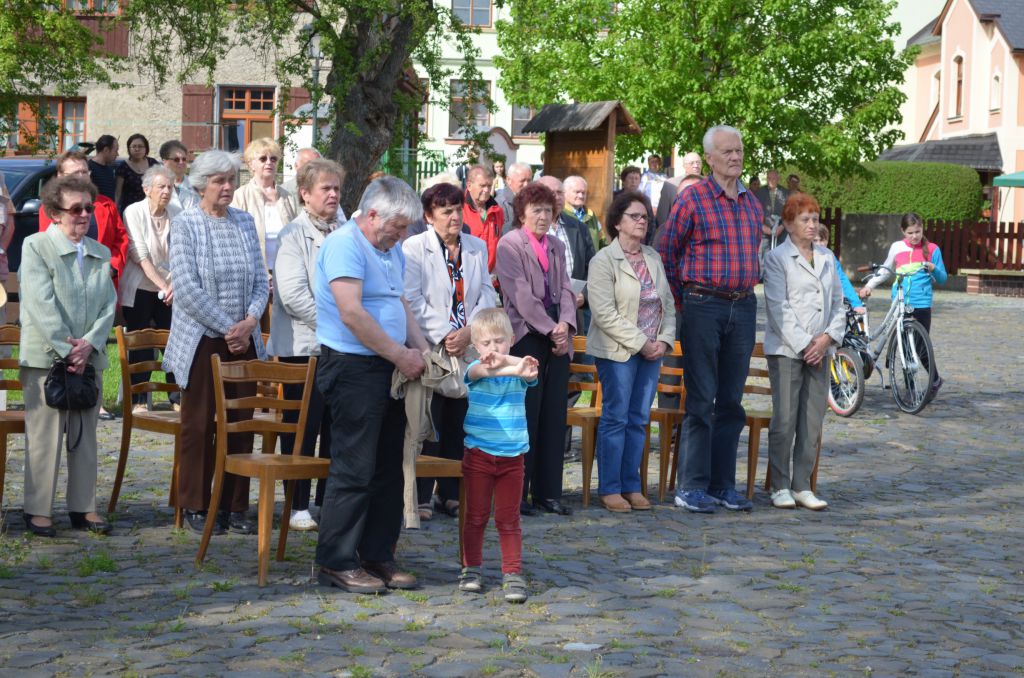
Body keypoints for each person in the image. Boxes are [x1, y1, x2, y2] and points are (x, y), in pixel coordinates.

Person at [314, 177, 429, 595]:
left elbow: (400, 302)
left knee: (387, 468)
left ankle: (377, 554)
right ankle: (337, 560)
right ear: (374, 214)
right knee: (354, 467)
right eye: (398, 226)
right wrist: (400, 354)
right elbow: (352, 313)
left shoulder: (390, 248)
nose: (402, 235)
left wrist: (423, 350)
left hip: (389, 368)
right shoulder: (344, 244)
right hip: (353, 368)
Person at [163, 150, 269, 536]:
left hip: (243, 339)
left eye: (231, 179)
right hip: (202, 340)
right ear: (200, 185)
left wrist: (250, 322)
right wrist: (230, 328)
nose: (227, 186)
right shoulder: (186, 224)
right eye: (218, 180)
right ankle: (194, 502)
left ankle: (234, 505)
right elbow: (187, 288)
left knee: (241, 424)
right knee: (198, 424)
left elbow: (261, 281)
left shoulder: (244, 221)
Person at [658, 124, 762, 514]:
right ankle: (692, 486)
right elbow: (667, 252)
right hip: (703, 304)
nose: (735, 157)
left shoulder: (751, 202)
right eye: (727, 151)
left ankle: (722, 485)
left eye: (739, 150)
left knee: (732, 401)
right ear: (709, 159)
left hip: (743, 305)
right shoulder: (693, 198)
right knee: (701, 399)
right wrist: (683, 303)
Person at [18, 174, 117, 537]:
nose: (84, 215)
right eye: (76, 209)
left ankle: (83, 507)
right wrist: (66, 350)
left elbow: (109, 305)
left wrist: (89, 344)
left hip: (87, 360)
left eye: (88, 208)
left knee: (85, 437)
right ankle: (38, 510)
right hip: (46, 359)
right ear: (55, 213)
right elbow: (40, 303)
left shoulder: (100, 252)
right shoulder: (36, 246)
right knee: (44, 439)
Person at [403, 182, 497, 521]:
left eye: (458, 209)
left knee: (460, 422)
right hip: (431, 346)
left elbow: (486, 293)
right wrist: (446, 334)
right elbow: (412, 299)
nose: (455, 217)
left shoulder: (475, 247)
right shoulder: (415, 247)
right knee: (429, 422)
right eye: (446, 211)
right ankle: (422, 495)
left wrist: (470, 331)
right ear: (429, 216)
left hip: (467, 347)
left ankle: (451, 493)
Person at [267, 158, 345, 531]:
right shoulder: (292, 235)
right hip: (303, 347)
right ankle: (297, 504)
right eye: (325, 188)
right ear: (305, 194)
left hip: (342, 348)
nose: (333, 194)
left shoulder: (345, 232)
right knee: (302, 427)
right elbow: (292, 294)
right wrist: (340, 324)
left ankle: (329, 500)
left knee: (336, 427)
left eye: (337, 188)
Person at [586, 190, 675, 512]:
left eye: (645, 217)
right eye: (634, 216)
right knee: (616, 417)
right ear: (617, 222)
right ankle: (610, 488)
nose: (642, 222)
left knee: (639, 419)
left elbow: (667, 304)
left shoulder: (653, 257)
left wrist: (664, 340)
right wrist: (642, 342)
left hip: (652, 351)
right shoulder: (603, 260)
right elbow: (604, 313)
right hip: (618, 352)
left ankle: (631, 485)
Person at [495, 182, 576, 516]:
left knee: (554, 415)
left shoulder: (556, 245)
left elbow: (567, 290)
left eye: (548, 211)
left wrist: (565, 325)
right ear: (522, 213)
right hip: (527, 334)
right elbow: (520, 296)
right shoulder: (510, 244)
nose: (543, 216)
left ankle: (548, 492)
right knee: (526, 415)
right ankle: (517, 494)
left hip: (557, 336)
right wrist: (550, 328)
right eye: (536, 210)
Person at [763, 193, 846, 511]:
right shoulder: (777, 259)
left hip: (821, 350)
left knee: (812, 421)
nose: (812, 225)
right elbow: (778, 307)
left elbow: (838, 303)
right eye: (805, 219)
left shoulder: (827, 257)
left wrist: (826, 339)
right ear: (788, 224)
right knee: (785, 419)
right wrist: (806, 344)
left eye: (815, 219)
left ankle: (802, 485)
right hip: (787, 350)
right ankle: (780, 485)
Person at [40, 150, 129, 422]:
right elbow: (48, 246)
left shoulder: (105, 205)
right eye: (73, 173)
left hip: (100, 283)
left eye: (84, 171)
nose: (80, 177)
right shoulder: (51, 209)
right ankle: (63, 391)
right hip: (64, 293)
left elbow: (120, 239)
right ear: (59, 176)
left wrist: (111, 265)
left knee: (92, 340)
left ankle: (92, 397)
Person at [458, 308, 538, 603]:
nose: (493, 348)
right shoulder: (473, 368)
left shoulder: (521, 372)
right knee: (476, 516)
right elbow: (483, 370)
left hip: (512, 457)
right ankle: (471, 568)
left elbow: (530, 366)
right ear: (475, 347)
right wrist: (511, 364)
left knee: (508, 518)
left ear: (512, 340)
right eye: (486, 343)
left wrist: (512, 362)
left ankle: (512, 573)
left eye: (500, 341)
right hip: (478, 454)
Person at [858, 212, 947, 394]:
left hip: (921, 304)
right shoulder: (897, 247)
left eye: (918, 232)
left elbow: (942, 278)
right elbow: (885, 271)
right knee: (905, 346)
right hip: (900, 302)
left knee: (921, 347)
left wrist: (934, 268)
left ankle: (935, 379)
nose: (914, 236)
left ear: (922, 228)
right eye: (910, 233)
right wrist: (869, 286)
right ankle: (910, 390)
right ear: (903, 231)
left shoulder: (933, 249)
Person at [120, 166, 181, 412]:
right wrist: (163, 285)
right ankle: (138, 399)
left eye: (170, 187)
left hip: (171, 287)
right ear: (147, 190)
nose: (166, 191)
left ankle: (176, 397)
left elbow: (184, 252)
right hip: (141, 286)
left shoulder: (177, 213)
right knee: (142, 343)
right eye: (161, 187)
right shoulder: (133, 211)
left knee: (174, 341)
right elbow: (139, 254)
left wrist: (174, 285)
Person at [231, 137, 300, 272]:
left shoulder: (287, 197)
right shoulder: (240, 196)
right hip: (254, 272)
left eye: (273, 159)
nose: (269, 162)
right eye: (263, 159)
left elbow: (297, 235)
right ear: (251, 164)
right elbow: (234, 239)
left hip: (286, 271)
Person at [462, 165, 505, 272]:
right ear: (469, 185)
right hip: (465, 274)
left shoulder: (497, 211)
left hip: (490, 276)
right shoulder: (458, 209)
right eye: (482, 186)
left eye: (489, 186)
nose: (486, 190)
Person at [814, 225, 863, 312]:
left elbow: (842, 279)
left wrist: (856, 304)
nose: (818, 244)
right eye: (815, 240)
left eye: (822, 240)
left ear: (827, 241)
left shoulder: (830, 257)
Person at [115, 133, 159, 212]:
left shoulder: (153, 163)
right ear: (129, 149)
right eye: (134, 146)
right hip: (130, 210)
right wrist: (115, 210)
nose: (137, 149)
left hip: (151, 209)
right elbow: (118, 193)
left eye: (140, 146)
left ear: (146, 148)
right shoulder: (123, 167)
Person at [563, 175, 604, 250]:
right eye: (577, 192)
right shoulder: (560, 214)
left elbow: (602, 241)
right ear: (564, 192)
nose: (581, 196)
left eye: (583, 192)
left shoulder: (591, 215)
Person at [158, 140, 199, 210]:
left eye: (184, 159)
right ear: (165, 161)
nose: (181, 162)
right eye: (176, 159)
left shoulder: (196, 185)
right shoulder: (156, 186)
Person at [496, 162, 534, 234]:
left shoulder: (533, 199)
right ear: (508, 180)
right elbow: (503, 232)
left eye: (529, 180)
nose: (526, 185)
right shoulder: (500, 203)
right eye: (522, 181)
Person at [89, 134, 119, 201]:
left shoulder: (110, 170)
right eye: (116, 150)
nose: (117, 154)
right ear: (106, 150)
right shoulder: (88, 168)